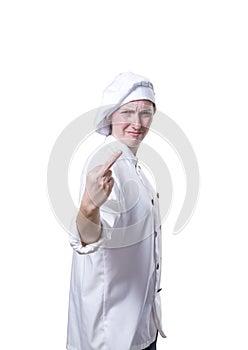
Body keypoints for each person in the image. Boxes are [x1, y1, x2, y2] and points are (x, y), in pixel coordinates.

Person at [67, 72, 166, 350]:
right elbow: (89, 239)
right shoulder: (106, 165)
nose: (137, 123)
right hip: (111, 336)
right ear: (110, 115)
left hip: (140, 325)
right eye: (128, 112)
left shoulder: (133, 167)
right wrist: (89, 206)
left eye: (146, 113)